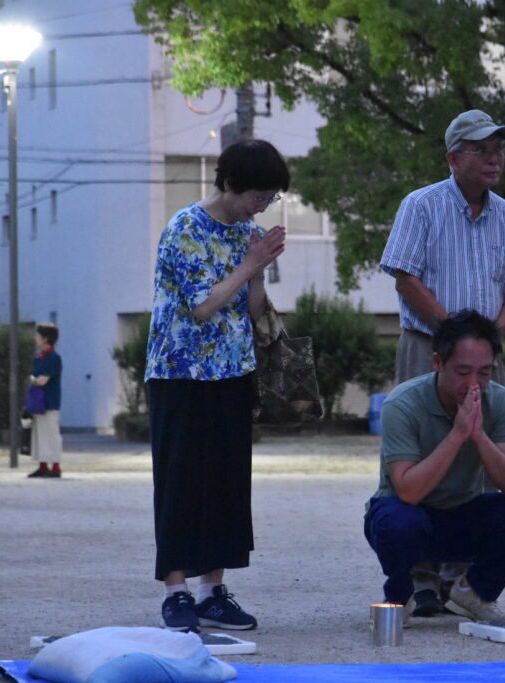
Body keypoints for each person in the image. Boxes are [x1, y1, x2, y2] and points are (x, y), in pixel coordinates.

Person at [379, 109, 505, 615]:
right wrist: (453, 333)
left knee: (484, 452)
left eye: (499, 149)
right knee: (424, 450)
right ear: (453, 158)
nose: (494, 158)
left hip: (483, 354)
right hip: (428, 345)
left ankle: (461, 580)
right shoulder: (422, 205)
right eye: (481, 149)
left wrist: (491, 337)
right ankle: (422, 580)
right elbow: (404, 276)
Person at [145, 139, 289, 632]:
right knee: (181, 481)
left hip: (232, 370)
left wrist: (258, 271)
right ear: (229, 183)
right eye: (257, 194)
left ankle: (212, 591)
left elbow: (251, 310)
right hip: (180, 373)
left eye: (270, 196)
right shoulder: (185, 227)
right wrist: (249, 264)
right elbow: (203, 305)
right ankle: (176, 590)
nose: (262, 204)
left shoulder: (247, 232)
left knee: (228, 483)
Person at [364, 311, 505, 622]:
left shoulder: (497, 400)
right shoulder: (402, 404)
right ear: (437, 363)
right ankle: (400, 594)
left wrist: (479, 437)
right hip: (409, 514)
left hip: (463, 513)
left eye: (484, 373)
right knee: (396, 523)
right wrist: (458, 435)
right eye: (462, 372)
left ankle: (474, 591)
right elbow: (407, 491)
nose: (473, 383)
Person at [27, 322, 63, 479]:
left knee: (51, 433)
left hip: (50, 401)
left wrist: (34, 380)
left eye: (38, 336)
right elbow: (35, 378)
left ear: (46, 339)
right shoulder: (39, 357)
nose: (36, 338)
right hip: (38, 402)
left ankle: (55, 466)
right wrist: (35, 379)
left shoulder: (54, 358)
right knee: (39, 434)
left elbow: (42, 380)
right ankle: (42, 465)